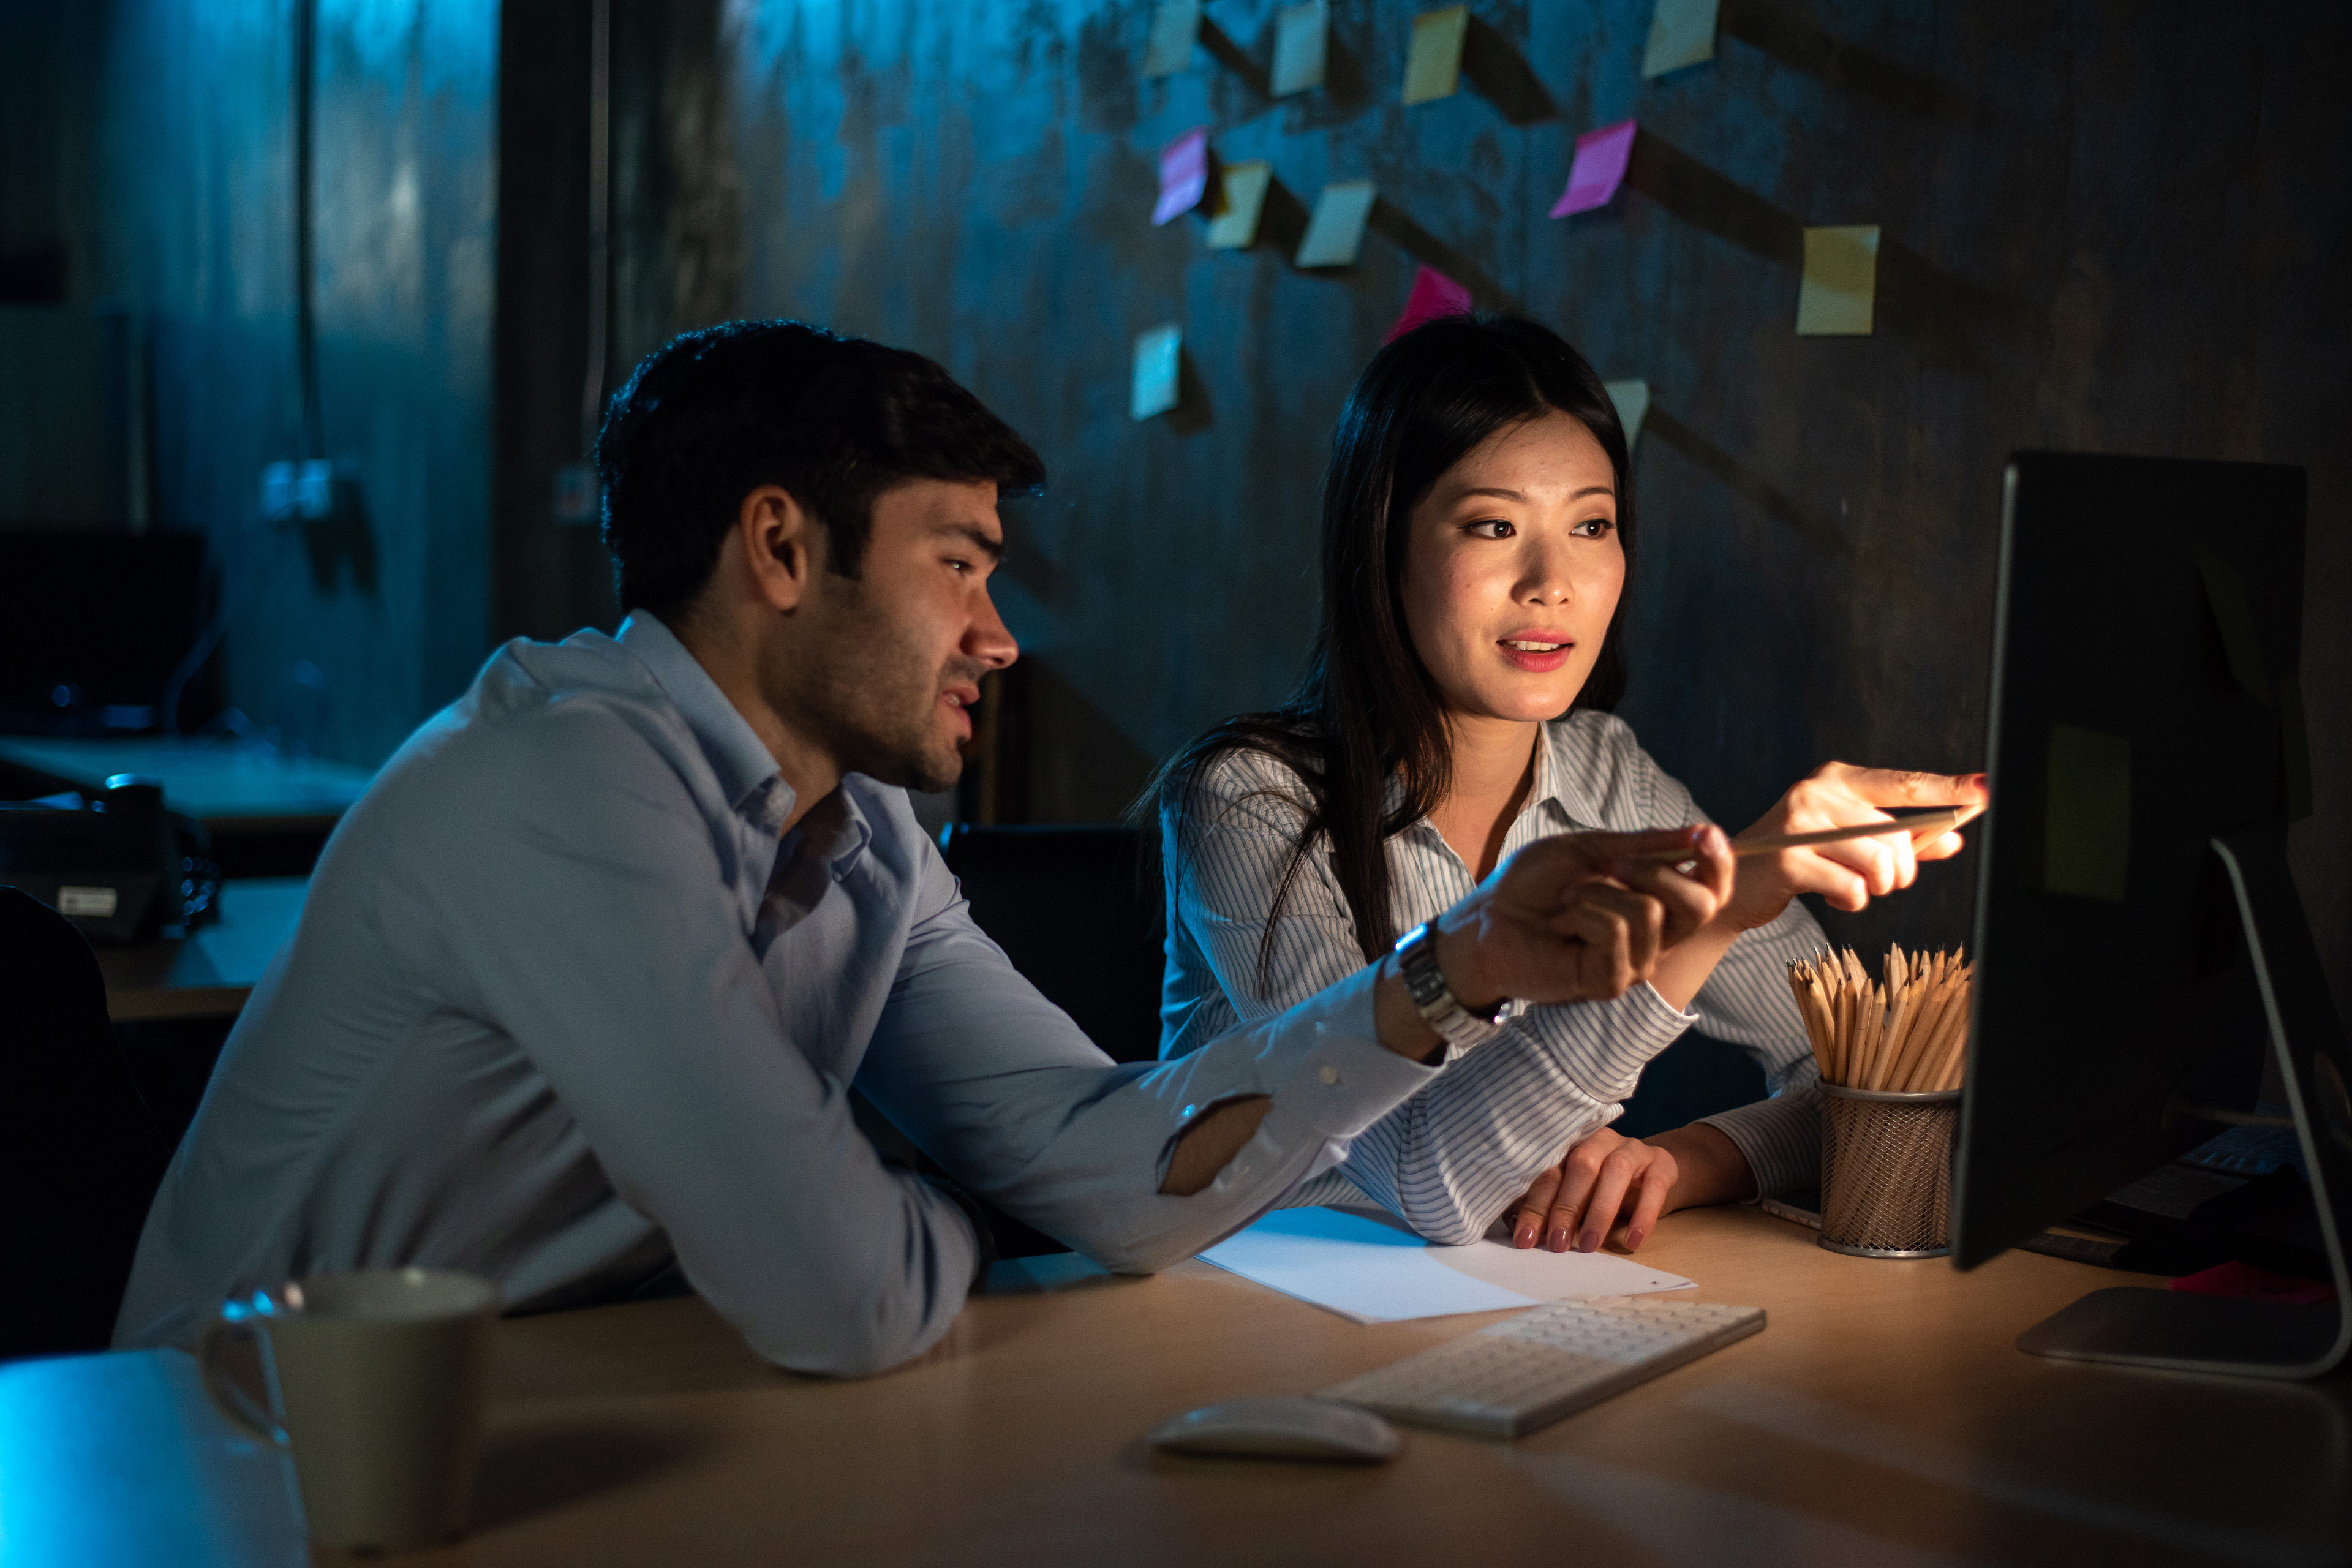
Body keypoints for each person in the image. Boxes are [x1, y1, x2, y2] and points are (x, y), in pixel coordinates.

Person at [115, 320, 1738, 1378]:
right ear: (778, 546)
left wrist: (1452, 973)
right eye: (960, 567)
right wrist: (940, 1213)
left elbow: (1111, 1173)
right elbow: (847, 1301)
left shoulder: (866, 836)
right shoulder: (558, 781)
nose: (1001, 638)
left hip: (599, 1410)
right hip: (252, 1471)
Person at [1152, 314, 1986, 1257]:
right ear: (1382, 547)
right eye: (1494, 527)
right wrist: (1714, 916)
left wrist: (1680, 1162)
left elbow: (1857, 1080)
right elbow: (1423, 1181)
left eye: (1592, 525)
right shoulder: (1250, 800)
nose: (1553, 582)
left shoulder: (1610, 779)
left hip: (1504, 1308)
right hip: (1247, 1312)